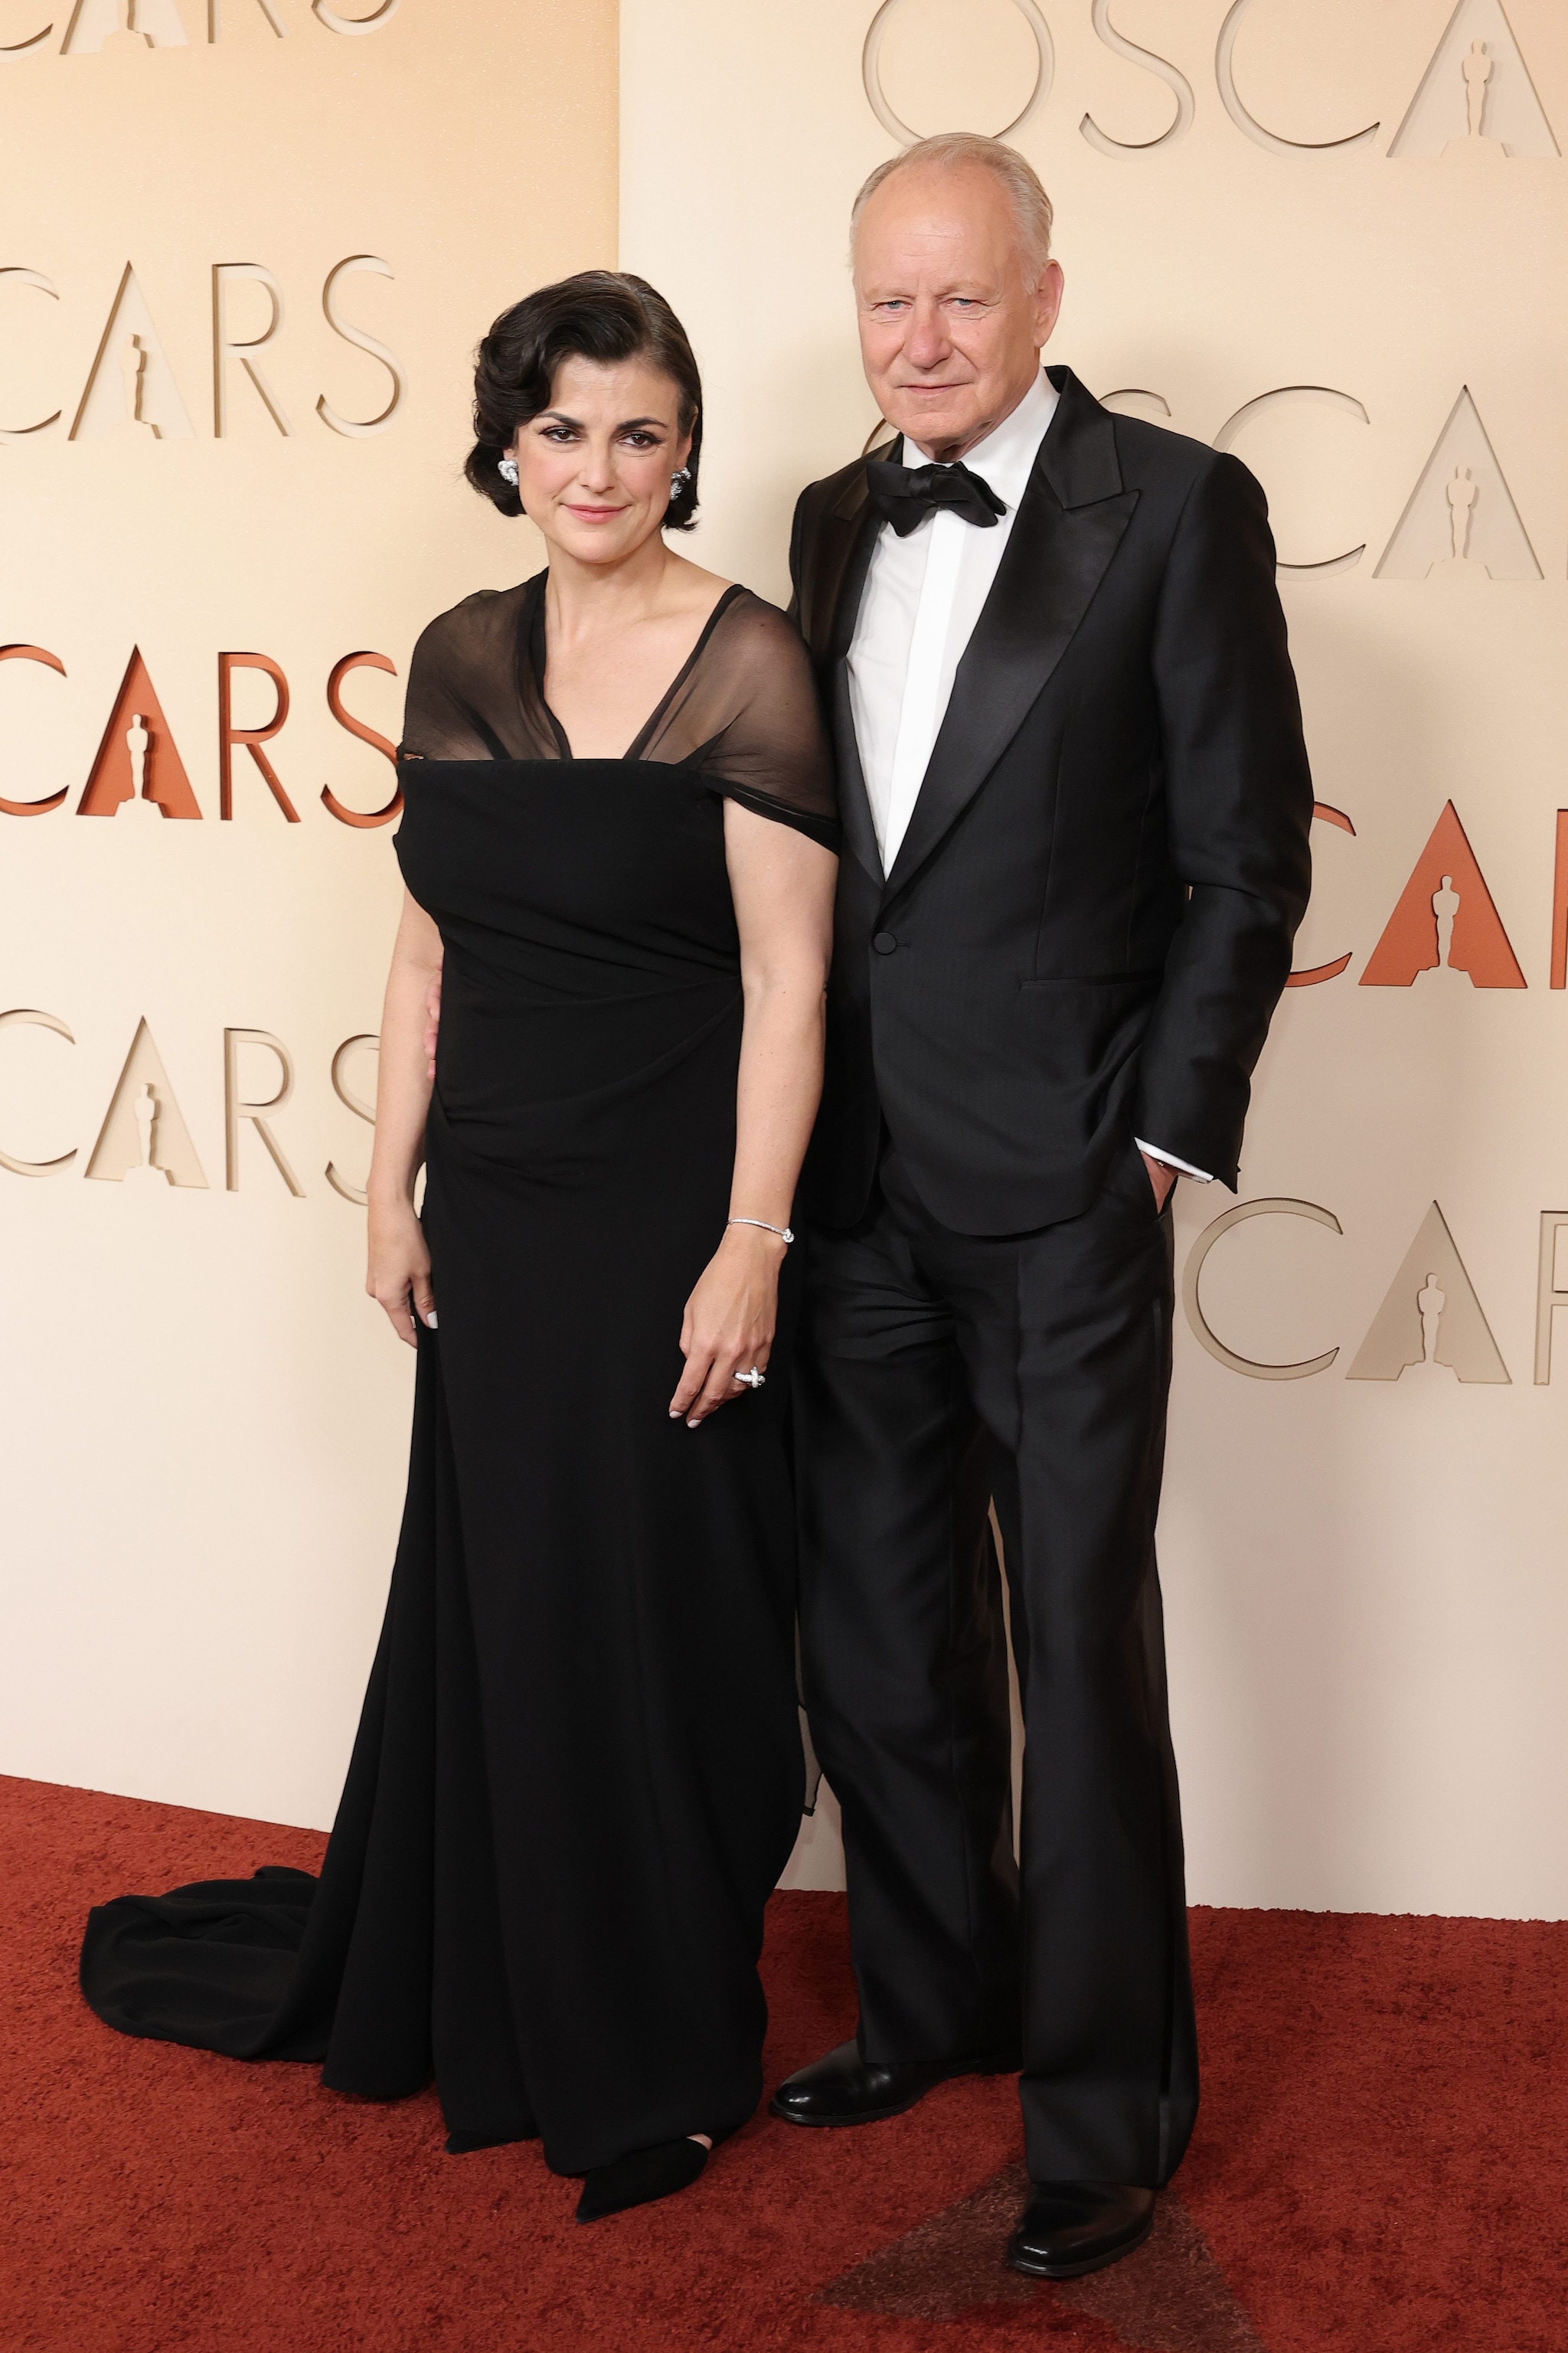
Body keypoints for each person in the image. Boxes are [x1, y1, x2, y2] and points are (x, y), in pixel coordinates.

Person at [80, 271, 839, 2224]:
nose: (599, 467)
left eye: (640, 431)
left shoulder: (748, 657)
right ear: (509, 444)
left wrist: (753, 1239)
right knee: (512, 1598)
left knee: (672, 1619)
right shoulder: (457, 652)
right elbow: (428, 947)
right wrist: (383, 1187)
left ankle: (659, 2038)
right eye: (562, 427)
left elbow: (787, 979)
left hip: (671, 1215)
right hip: (496, 1214)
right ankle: (504, 1973)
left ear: (685, 449)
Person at [769, 136, 1314, 2282]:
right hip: (855, 1179)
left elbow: (1245, 859)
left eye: (961, 298)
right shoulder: (829, 517)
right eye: (886, 300)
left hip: (1068, 1176)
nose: (919, 341)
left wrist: (1159, 1138)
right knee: (879, 1628)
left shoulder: (1175, 509)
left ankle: (1100, 2116)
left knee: (1077, 1650)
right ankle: (934, 2003)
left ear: (1046, 297)